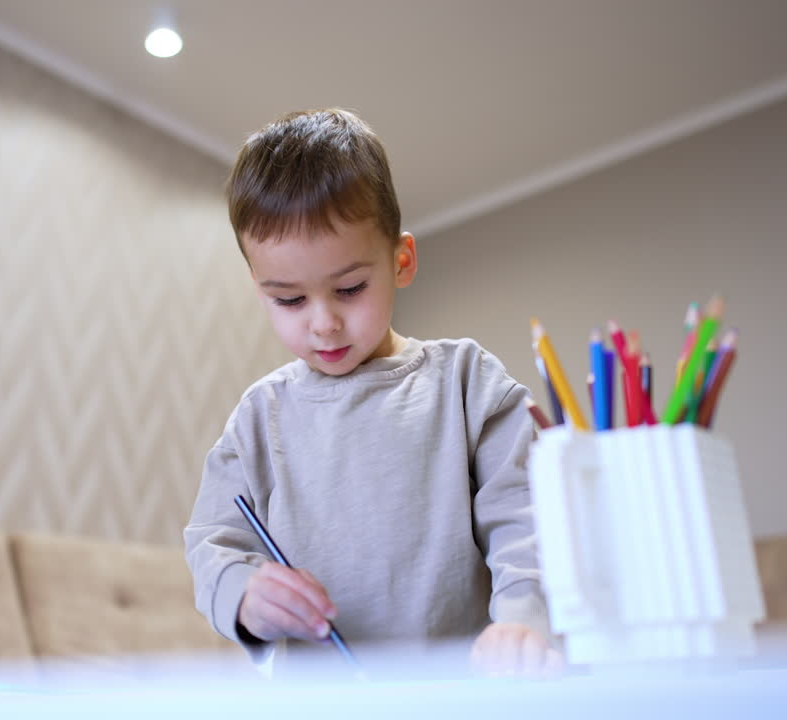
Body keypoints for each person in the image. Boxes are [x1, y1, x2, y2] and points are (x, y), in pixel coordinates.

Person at [183, 108, 562, 677]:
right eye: (289, 300)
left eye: (350, 288)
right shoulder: (260, 418)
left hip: (465, 693)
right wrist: (245, 595)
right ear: (260, 290)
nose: (324, 323)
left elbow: (525, 518)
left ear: (401, 260)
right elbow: (213, 541)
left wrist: (522, 620)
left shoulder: (466, 381)